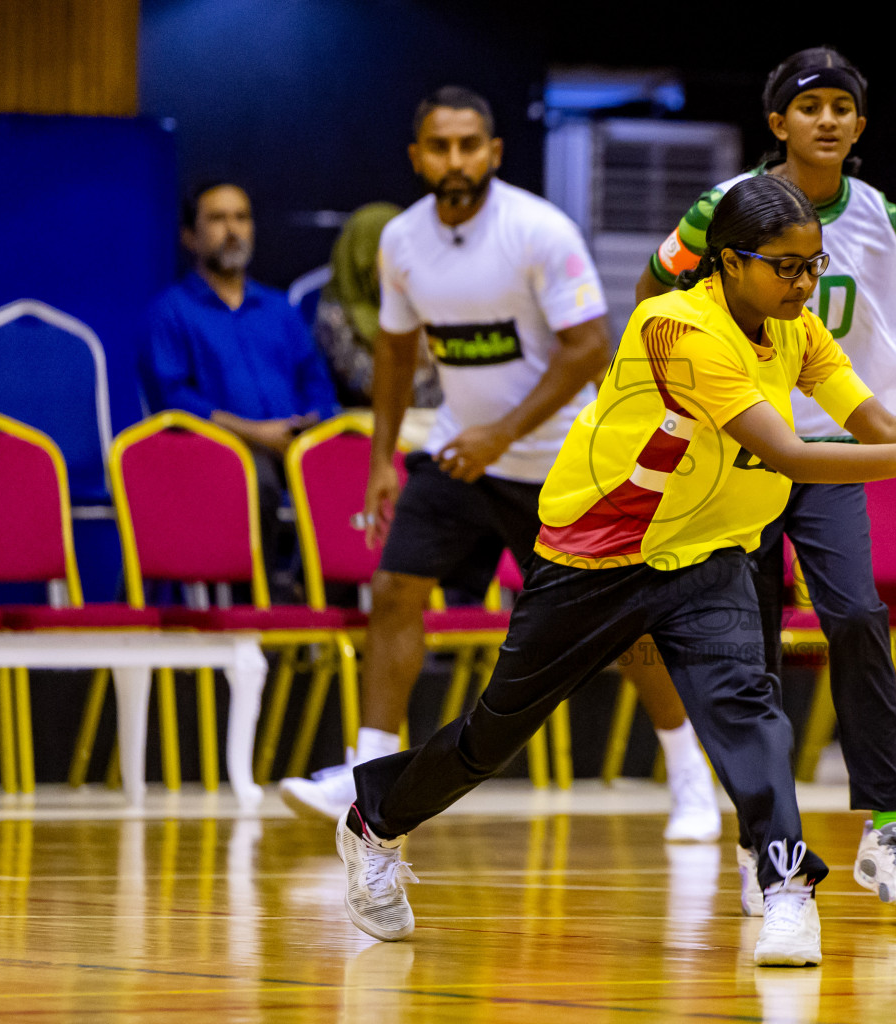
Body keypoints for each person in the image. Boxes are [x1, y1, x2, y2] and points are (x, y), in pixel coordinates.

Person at [334, 173, 896, 967]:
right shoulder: (675, 326)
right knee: (493, 736)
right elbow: (790, 453)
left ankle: (787, 886)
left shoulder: (798, 327)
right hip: (598, 555)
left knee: (750, 711)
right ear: (728, 262)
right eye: (787, 267)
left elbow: (873, 421)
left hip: (709, 552)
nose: (803, 283)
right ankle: (374, 820)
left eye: (813, 265)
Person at [631, 46, 896, 909]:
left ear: (862, 125)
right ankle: (761, 844)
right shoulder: (719, 210)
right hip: (739, 451)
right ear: (778, 124)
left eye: (845, 106)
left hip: (834, 453)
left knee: (857, 617)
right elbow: (654, 295)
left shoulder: (888, 221)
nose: (830, 120)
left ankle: (885, 831)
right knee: (749, 649)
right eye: (812, 107)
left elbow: (889, 355)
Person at [279, 86, 619, 818]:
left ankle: (688, 776)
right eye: (441, 146)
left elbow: (591, 349)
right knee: (396, 587)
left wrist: (505, 432)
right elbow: (397, 359)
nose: (456, 159)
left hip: (560, 460)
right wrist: (379, 464)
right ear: (418, 157)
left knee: (616, 621)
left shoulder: (540, 230)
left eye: (470, 145)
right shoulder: (402, 240)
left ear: (494, 153)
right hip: (458, 454)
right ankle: (366, 769)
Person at [143, 182, 340, 599]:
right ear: (189, 237)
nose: (232, 229)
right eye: (217, 219)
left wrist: (312, 421)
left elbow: (315, 381)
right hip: (214, 450)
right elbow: (173, 398)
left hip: (292, 444)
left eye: (241, 217)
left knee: (347, 470)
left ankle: (325, 605)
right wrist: (254, 432)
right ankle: (258, 615)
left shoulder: (278, 310)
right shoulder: (171, 310)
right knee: (259, 477)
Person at [314, 201, 442, 411]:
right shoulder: (334, 316)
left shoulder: (425, 303)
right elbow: (371, 388)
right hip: (368, 429)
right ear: (362, 254)